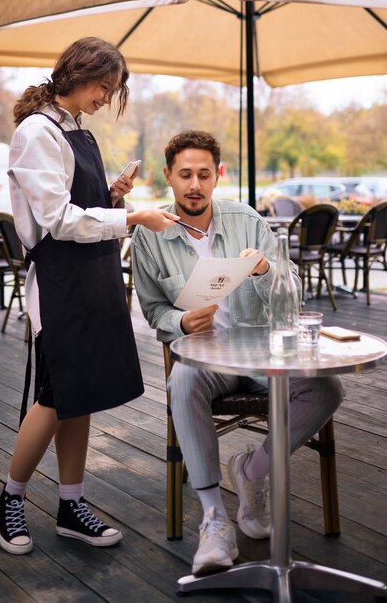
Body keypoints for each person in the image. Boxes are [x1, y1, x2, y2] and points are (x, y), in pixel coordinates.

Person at [0, 37, 179, 555]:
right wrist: (131, 217)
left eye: (112, 90)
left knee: (83, 394)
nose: (105, 97)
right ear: (78, 73)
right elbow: (55, 219)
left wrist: (112, 197)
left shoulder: (76, 128)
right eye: (104, 85)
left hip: (94, 278)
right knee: (55, 397)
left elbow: (78, 205)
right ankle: (10, 497)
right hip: (59, 283)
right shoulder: (37, 132)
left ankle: (70, 503)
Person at [131, 130, 344, 576]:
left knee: (327, 389)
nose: (194, 184)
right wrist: (182, 322)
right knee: (182, 379)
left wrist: (267, 269)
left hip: (261, 352)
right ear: (169, 177)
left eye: (204, 174)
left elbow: (294, 288)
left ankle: (252, 472)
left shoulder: (247, 220)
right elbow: (153, 309)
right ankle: (214, 520)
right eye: (185, 174)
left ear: (218, 176)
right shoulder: (151, 236)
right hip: (206, 360)